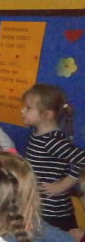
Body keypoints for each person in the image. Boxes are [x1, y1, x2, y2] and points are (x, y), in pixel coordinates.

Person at [21, 84, 85, 231]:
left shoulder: (52, 141)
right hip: (40, 208)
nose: (22, 110)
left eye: (29, 108)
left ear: (47, 114)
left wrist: (64, 184)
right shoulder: (37, 134)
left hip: (55, 213)